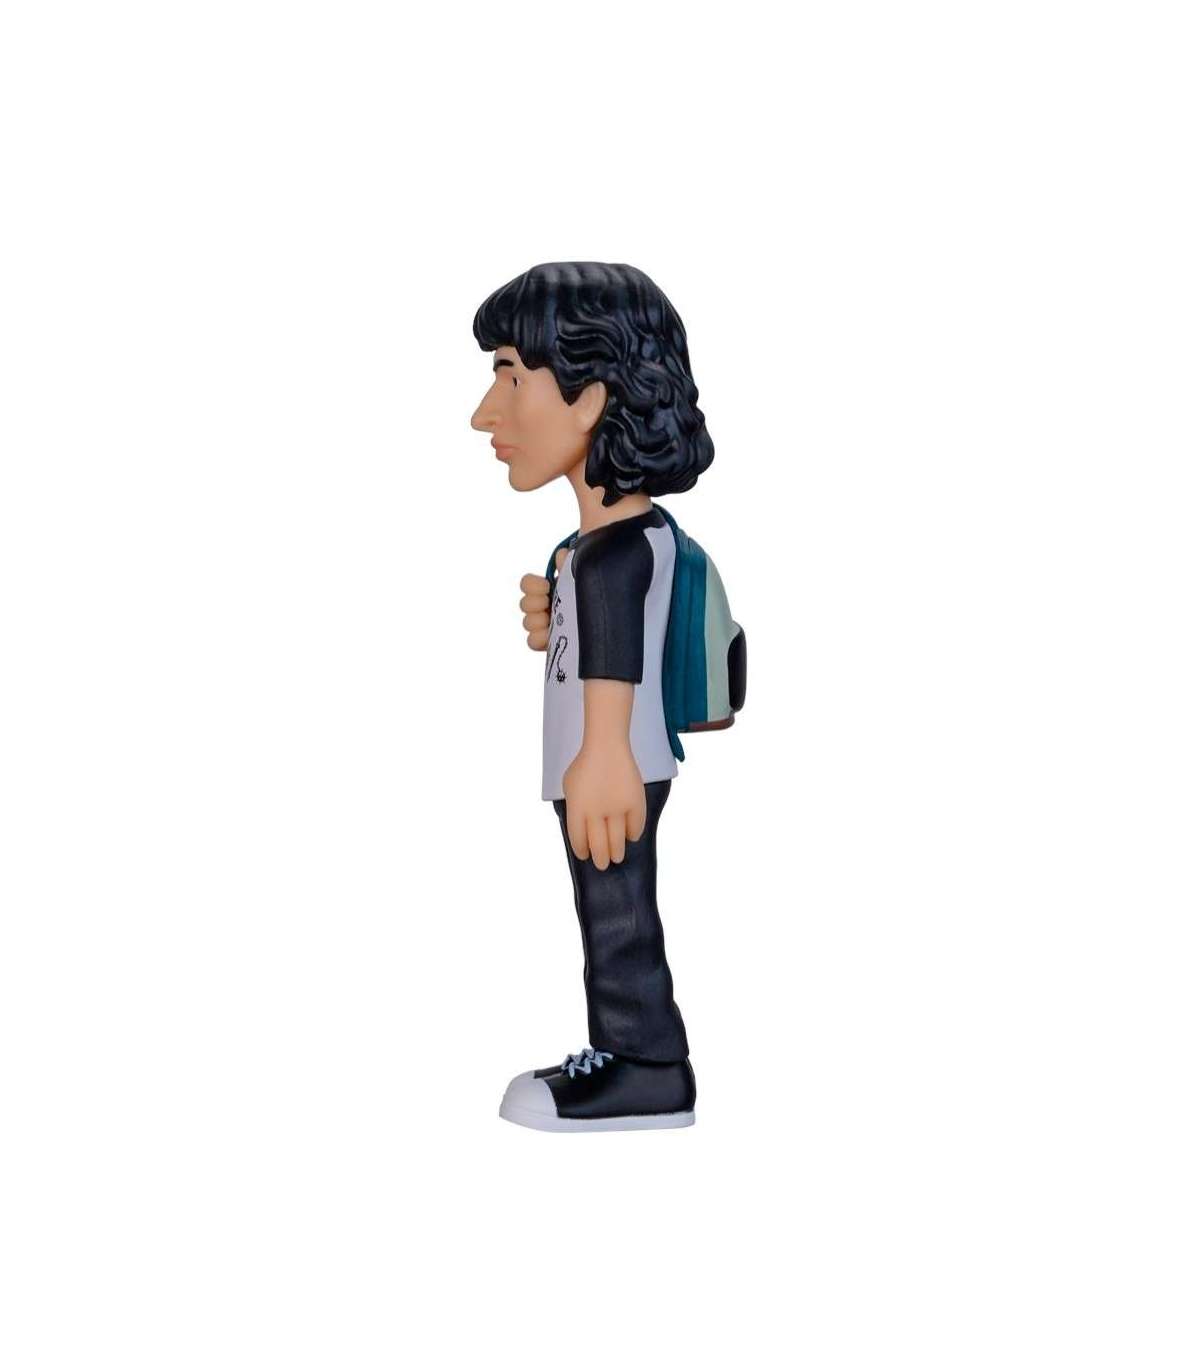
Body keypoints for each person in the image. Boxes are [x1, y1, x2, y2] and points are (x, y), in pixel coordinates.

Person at [470, 262, 716, 1132]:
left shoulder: (613, 556)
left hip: (608, 773)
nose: (486, 414)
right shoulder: (601, 547)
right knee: (609, 910)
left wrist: (603, 754)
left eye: (510, 377)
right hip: (599, 766)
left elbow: (618, 654)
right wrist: (557, 618)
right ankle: (625, 1051)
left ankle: (645, 1064)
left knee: (618, 919)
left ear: (589, 400)